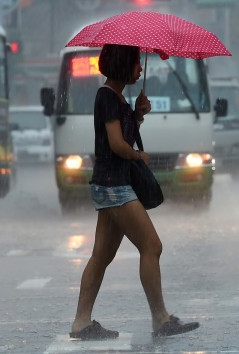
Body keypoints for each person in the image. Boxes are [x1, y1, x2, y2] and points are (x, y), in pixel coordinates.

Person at [69, 44, 200, 340]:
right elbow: (115, 144)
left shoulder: (116, 98)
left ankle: (81, 322)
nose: (140, 68)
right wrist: (138, 156)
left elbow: (121, 135)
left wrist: (138, 115)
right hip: (115, 186)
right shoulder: (107, 97)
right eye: (135, 63)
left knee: (101, 256)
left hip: (111, 183)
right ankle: (160, 319)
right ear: (121, 65)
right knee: (152, 246)